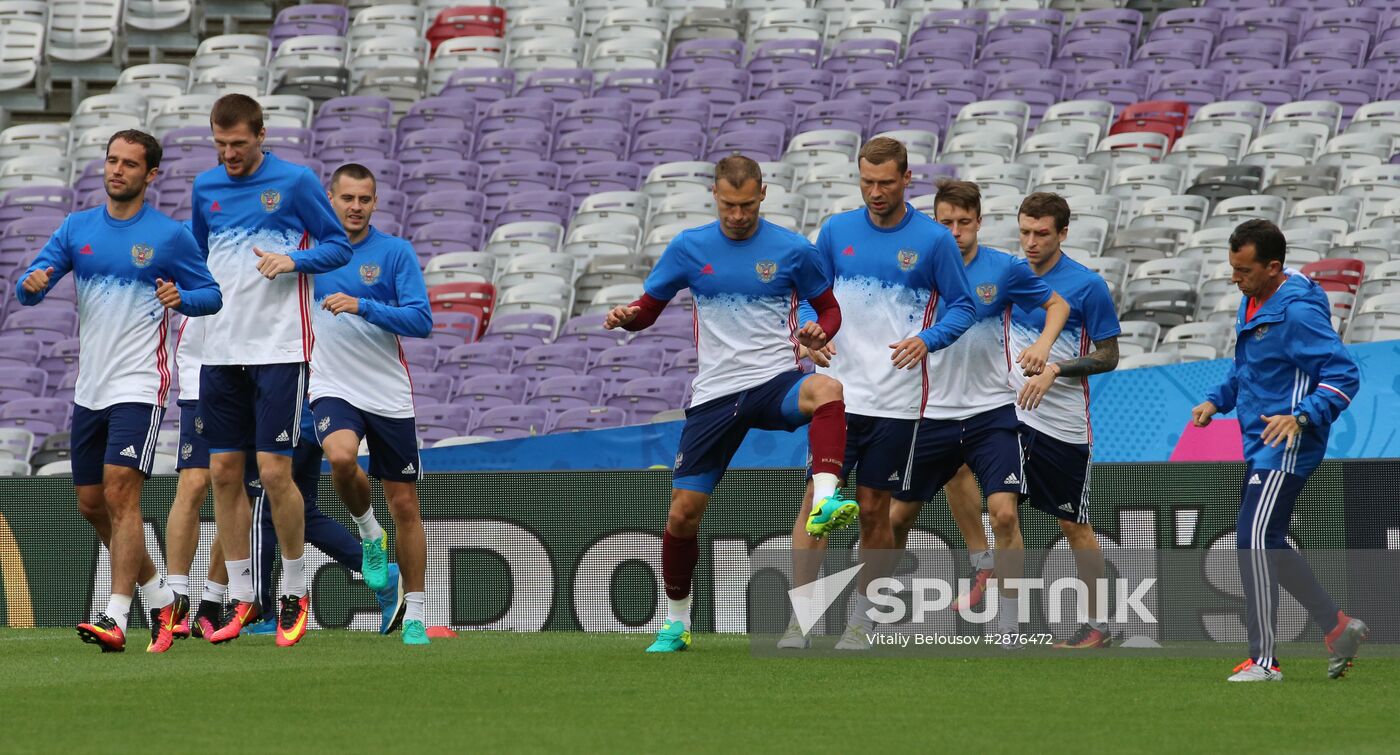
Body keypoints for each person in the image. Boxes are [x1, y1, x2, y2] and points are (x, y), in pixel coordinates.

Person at [604, 156, 853, 653]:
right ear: (714, 196)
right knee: (682, 514)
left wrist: (818, 332)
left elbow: (829, 308)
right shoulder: (689, 248)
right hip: (716, 394)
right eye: (728, 205)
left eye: (746, 204)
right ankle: (676, 622)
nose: (737, 215)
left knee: (828, 389)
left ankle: (825, 500)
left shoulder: (792, 250)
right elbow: (647, 311)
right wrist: (627, 317)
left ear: (763, 194)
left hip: (773, 381)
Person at [15, 129, 222, 653]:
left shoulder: (170, 237)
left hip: (140, 384)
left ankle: (115, 616)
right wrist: (32, 285)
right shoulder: (77, 227)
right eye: (112, 160)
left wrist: (183, 298)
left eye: (130, 164)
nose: (118, 170)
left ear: (150, 175)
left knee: (120, 492)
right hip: (92, 388)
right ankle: (159, 598)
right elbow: (32, 281)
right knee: (91, 503)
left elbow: (212, 295)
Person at [781, 139, 978, 651]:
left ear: (906, 178)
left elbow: (962, 307)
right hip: (836, 397)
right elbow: (806, 297)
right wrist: (808, 331)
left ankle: (862, 621)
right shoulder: (836, 230)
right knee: (817, 503)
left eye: (885, 182)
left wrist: (926, 339)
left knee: (873, 509)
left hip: (897, 399)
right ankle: (800, 620)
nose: (874, 191)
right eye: (866, 181)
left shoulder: (934, 241)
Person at [192, 94, 352, 648]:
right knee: (224, 476)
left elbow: (337, 248)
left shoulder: (297, 182)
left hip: (281, 348)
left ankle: (293, 588)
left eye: (238, 143)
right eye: (220, 143)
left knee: (276, 474)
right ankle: (241, 596)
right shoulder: (205, 188)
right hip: (219, 350)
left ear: (261, 135)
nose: (229, 153)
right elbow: (197, 259)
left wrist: (294, 260)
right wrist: (178, 291)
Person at [887, 181, 1070, 647]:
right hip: (928, 411)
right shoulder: (910, 266)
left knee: (1005, 513)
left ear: (978, 222)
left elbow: (1057, 304)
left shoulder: (1004, 268)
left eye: (963, 222)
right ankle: (876, 614)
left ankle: (1008, 624)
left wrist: (1043, 345)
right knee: (893, 520)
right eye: (945, 223)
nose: (955, 232)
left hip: (992, 411)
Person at [1192, 219, 1367, 682]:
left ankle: (1264, 661)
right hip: (1259, 440)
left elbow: (1344, 375)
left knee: (1250, 538)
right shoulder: (1253, 300)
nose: (1235, 278)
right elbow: (1247, 370)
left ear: (1273, 267)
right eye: (1233, 268)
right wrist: (1216, 399)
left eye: (1244, 270)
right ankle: (1337, 625)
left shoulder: (1297, 313)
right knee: (1267, 541)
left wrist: (1302, 416)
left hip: (1288, 442)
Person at [309, 163, 433, 646]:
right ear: (331, 199)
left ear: (374, 202)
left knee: (404, 503)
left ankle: (417, 611)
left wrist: (363, 305)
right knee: (340, 459)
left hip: (388, 392)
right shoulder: (313, 253)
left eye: (364, 199)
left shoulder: (394, 252)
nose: (355, 207)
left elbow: (421, 321)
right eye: (347, 198)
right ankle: (367, 532)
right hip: (333, 385)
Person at [1002, 192, 1120, 648]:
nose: (1030, 242)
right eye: (1025, 232)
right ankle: (1007, 628)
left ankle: (1098, 626)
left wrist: (1055, 368)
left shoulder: (1087, 285)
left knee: (1072, 525)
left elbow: (1109, 356)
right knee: (1003, 513)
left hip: (1063, 424)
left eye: (1041, 233)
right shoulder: (1008, 275)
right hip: (1008, 418)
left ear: (1063, 233)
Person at [243, 402, 407, 637]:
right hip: (312, 424)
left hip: (289, 425)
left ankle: (263, 613)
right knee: (304, 515)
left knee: (263, 511)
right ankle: (387, 576)